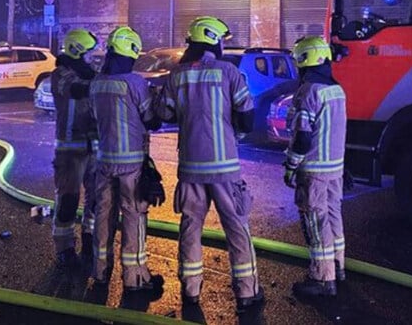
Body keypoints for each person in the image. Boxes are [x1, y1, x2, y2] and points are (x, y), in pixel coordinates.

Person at [156, 16, 264, 314]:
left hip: (191, 167)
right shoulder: (229, 72)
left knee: (191, 228)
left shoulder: (177, 75)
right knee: (237, 228)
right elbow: (247, 118)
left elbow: (164, 114)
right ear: (213, 40)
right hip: (224, 168)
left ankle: (190, 291)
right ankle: (247, 293)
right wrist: (232, 130)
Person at [88, 26, 164, 292]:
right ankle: (135, 278)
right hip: (131, 165)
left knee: (103, 215)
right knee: (134, 216)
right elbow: (151, 120)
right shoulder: (135, 83)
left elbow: (94, 117)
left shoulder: (97, 83)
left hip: (104, 162)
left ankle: (100, 272)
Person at [282, 35, 347, 299]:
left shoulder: (308, 92)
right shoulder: (336, 89)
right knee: (333, 217)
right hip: (335, 169)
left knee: (315, 223)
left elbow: (303, 138)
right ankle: (338, 268)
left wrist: (290, 166)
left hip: (313, 171)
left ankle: (322, 279)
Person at [50, 28, 99, 272]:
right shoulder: (61, 74)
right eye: (89, 53)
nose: (92, 58)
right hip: (70, 150)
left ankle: (89, 237)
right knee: (68, 200)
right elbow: (77, 89)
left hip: (93, 147)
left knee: (96, 198)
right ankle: (64, 248)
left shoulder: (91, 75)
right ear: (77, 51)